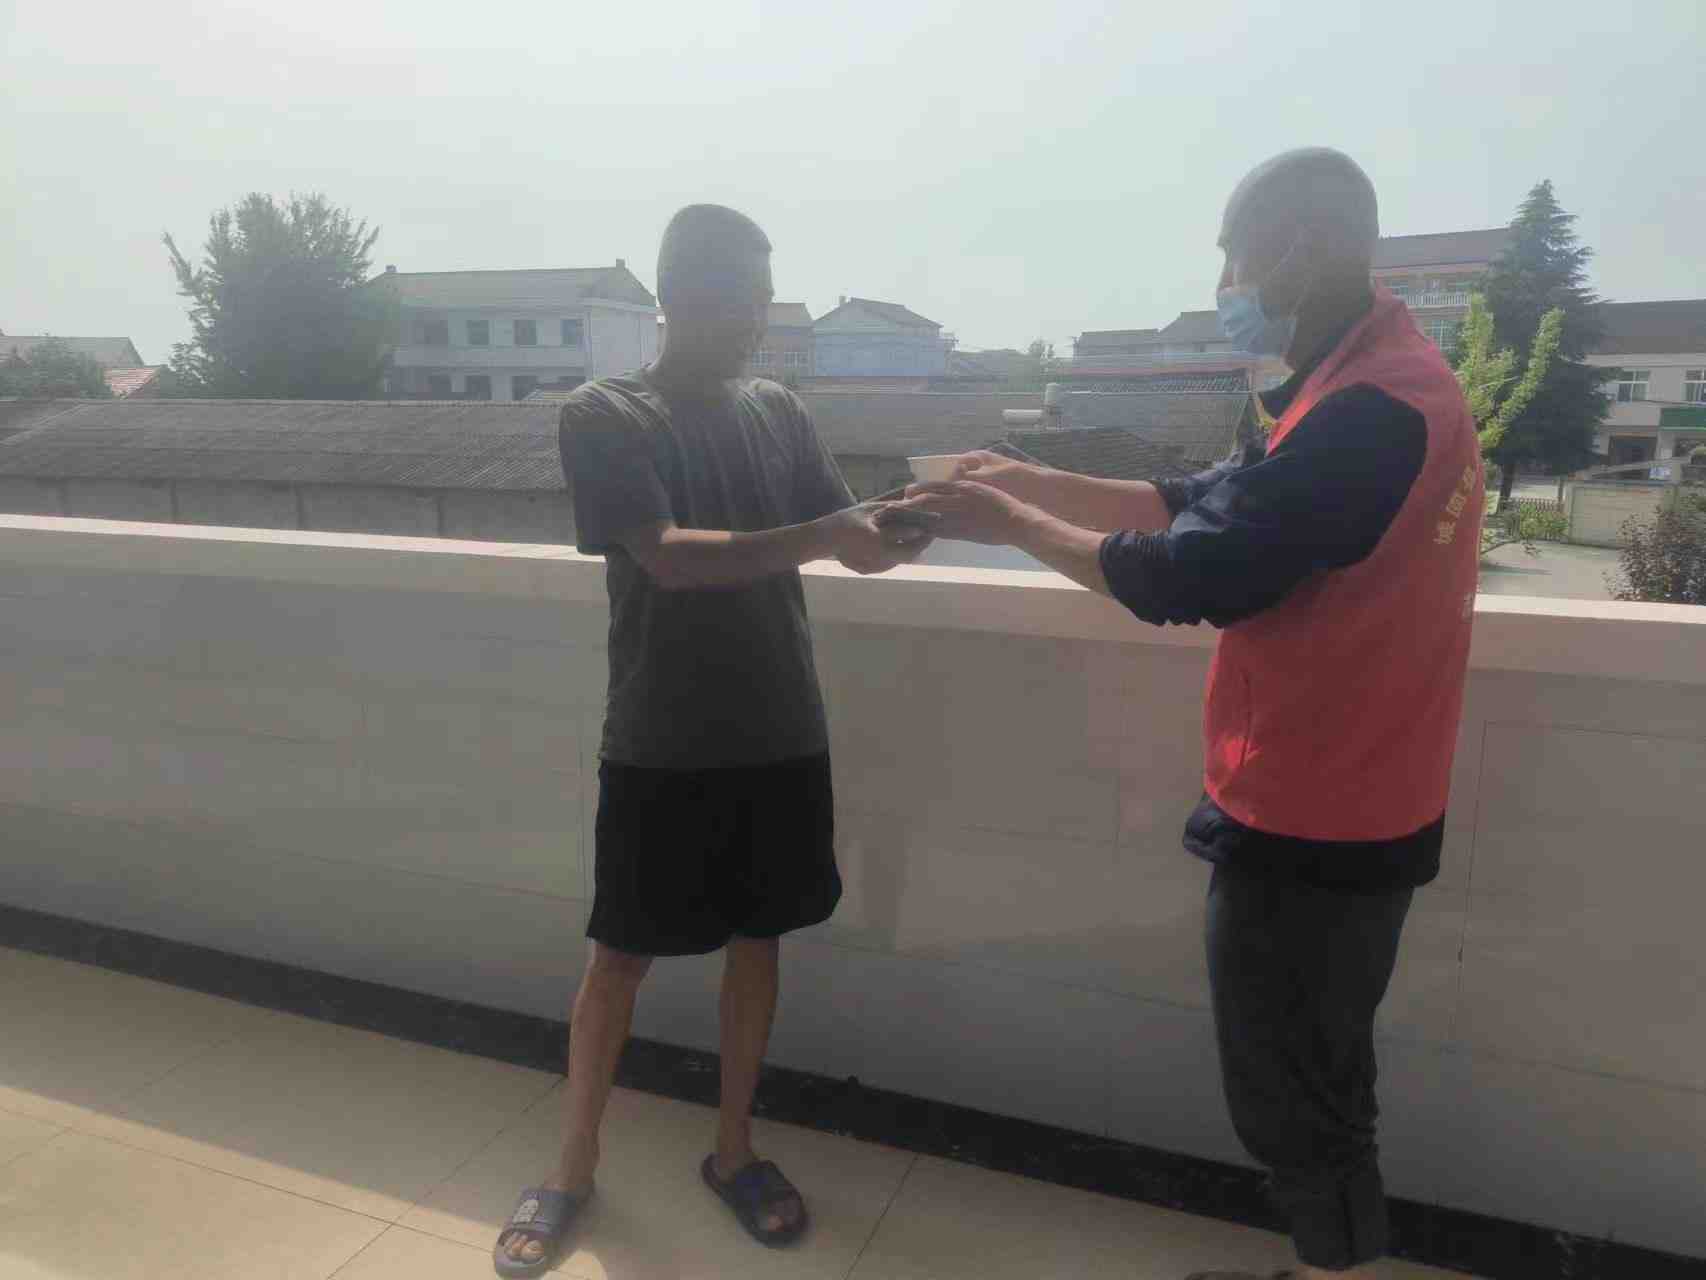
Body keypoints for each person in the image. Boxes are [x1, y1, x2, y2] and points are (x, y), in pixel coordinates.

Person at [901, 148, 1482, 1280]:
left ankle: (1332, 1267)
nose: (1224, 280)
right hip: (1353, 789)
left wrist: (1004, 524)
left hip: (1321, 812)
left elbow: (1188, 575)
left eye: (1232, 253)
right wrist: (1020, 480)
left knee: (1292, 1096)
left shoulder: (1373, 410)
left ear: (1299, 249)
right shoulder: (1359, 380)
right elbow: (1198, 504)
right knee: (1316, 1076)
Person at [495, 204, 931, 1276]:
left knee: (757, 943)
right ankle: (570, 1167)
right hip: (661, 736)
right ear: (674, 295)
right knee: (618, 956)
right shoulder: (606, 413)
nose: (754, 321)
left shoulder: (777, 408)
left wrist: (916, 518)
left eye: (762, 301)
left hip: (780, 730)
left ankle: (733, 1149)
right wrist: (827, 533)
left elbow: (852, 545)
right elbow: (668, 556)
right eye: (736, 299)